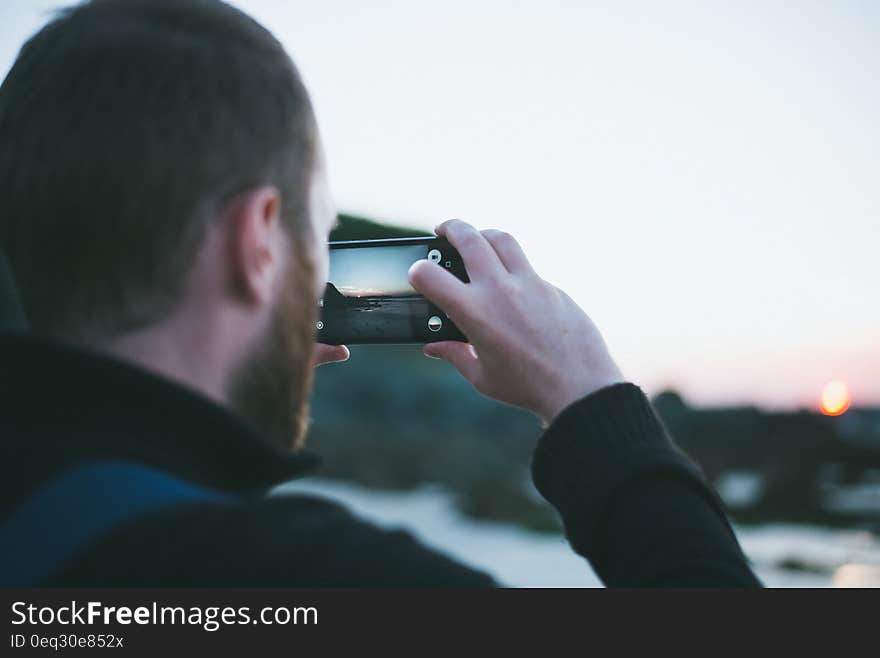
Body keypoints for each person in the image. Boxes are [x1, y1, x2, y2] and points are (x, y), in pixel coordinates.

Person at [0, 0, 760, 587]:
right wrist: (589, 392)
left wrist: (228, 409)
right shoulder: (331, 582)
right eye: (314, 236)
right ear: (257, 242)